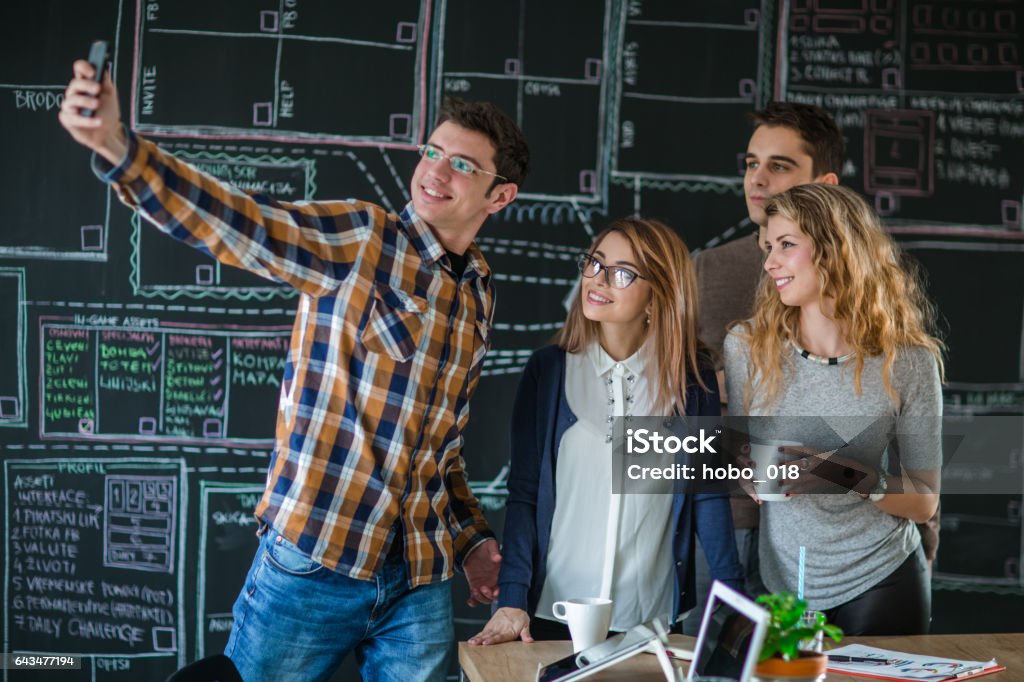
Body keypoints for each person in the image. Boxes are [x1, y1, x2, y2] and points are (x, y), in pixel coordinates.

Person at [59, 60, 530, 680]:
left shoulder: (478, 291)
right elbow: (242, 224)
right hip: (314, 561)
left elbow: (440, 448)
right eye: (432, 151)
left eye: (462, 164)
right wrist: (122, 151)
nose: (436, 172)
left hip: (418, 575)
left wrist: (471, 540)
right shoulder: (363, 239)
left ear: (501, 195)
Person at [468, 218, 743, 646]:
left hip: (649, 618)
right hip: (551, 611)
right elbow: (523, 495)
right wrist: (513, 596)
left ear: (659, 294)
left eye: (622, 273)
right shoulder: (549, 370)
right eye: (595, 263)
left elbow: (706, 494)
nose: (598, 280)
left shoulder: (692, 381)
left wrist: (735, 600)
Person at [724, 183, 944, 634]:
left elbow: (924, 502)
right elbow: (735, 450)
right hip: (783, 584)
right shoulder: (746, 347)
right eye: (769, 247)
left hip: (882, 576)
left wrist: (844, 474)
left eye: (786, 245)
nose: (769, 263)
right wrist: (740, 467)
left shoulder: (909, 362)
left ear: (835, 250)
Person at [685, 102, 844, 632]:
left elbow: (905, 415)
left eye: (778, 166)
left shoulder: (873, 282)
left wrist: (924, 536)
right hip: (725, 521)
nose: (757, 178)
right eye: (751, 163)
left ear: (825, 183)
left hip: (831, 536)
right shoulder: (707, 271)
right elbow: (680, 400)